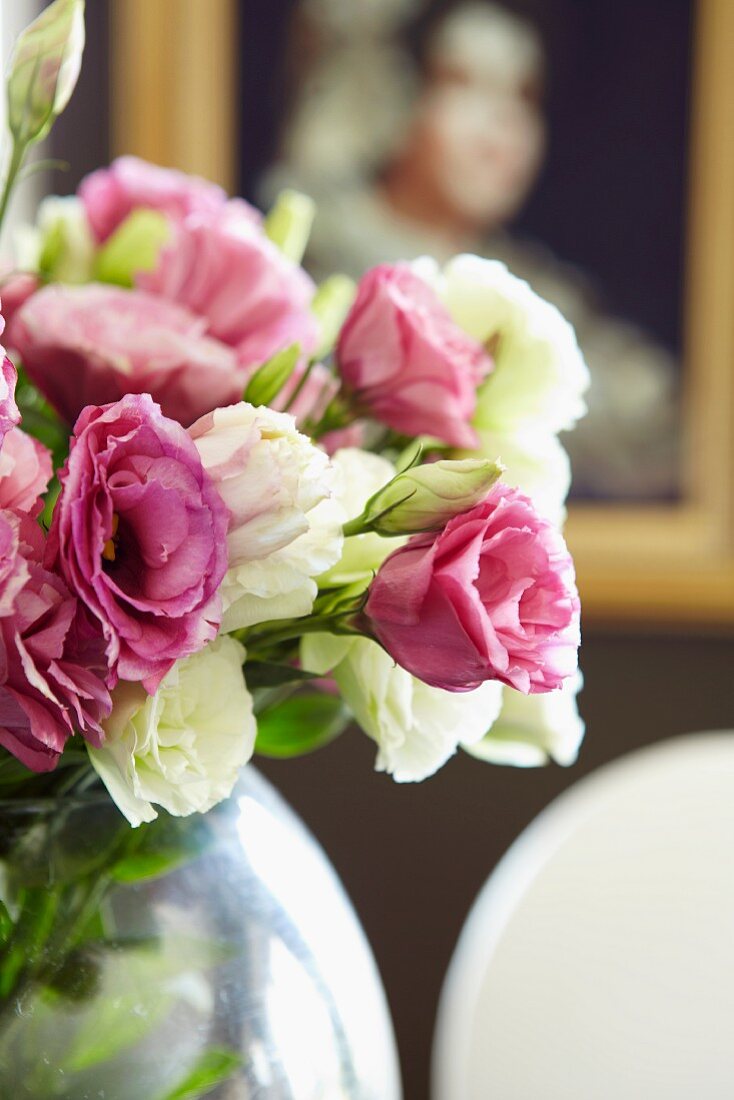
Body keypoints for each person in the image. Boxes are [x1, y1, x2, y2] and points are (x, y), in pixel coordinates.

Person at [264, 0, 680, 500]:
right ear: (395, 93)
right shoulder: (314, 261)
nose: (501, 129)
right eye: (462, 83)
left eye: (523, 95)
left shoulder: (547, 293)